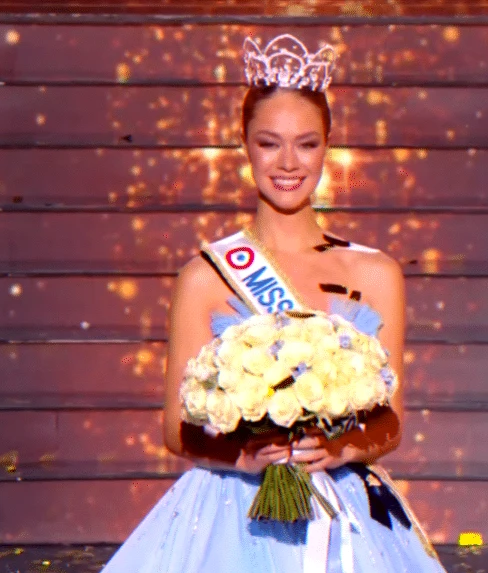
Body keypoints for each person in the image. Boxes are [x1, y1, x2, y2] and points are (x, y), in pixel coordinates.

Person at [99, 34, 448, 573]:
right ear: (244, 144)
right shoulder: (205, 275)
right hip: (231, 512)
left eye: (306, 144)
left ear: (327, 147)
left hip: (344, 512)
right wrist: (243, 456)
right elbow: (175, 430)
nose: (288, 163)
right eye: (269, 143)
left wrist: (340, 449)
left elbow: (391, 423)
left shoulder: (375, 273)